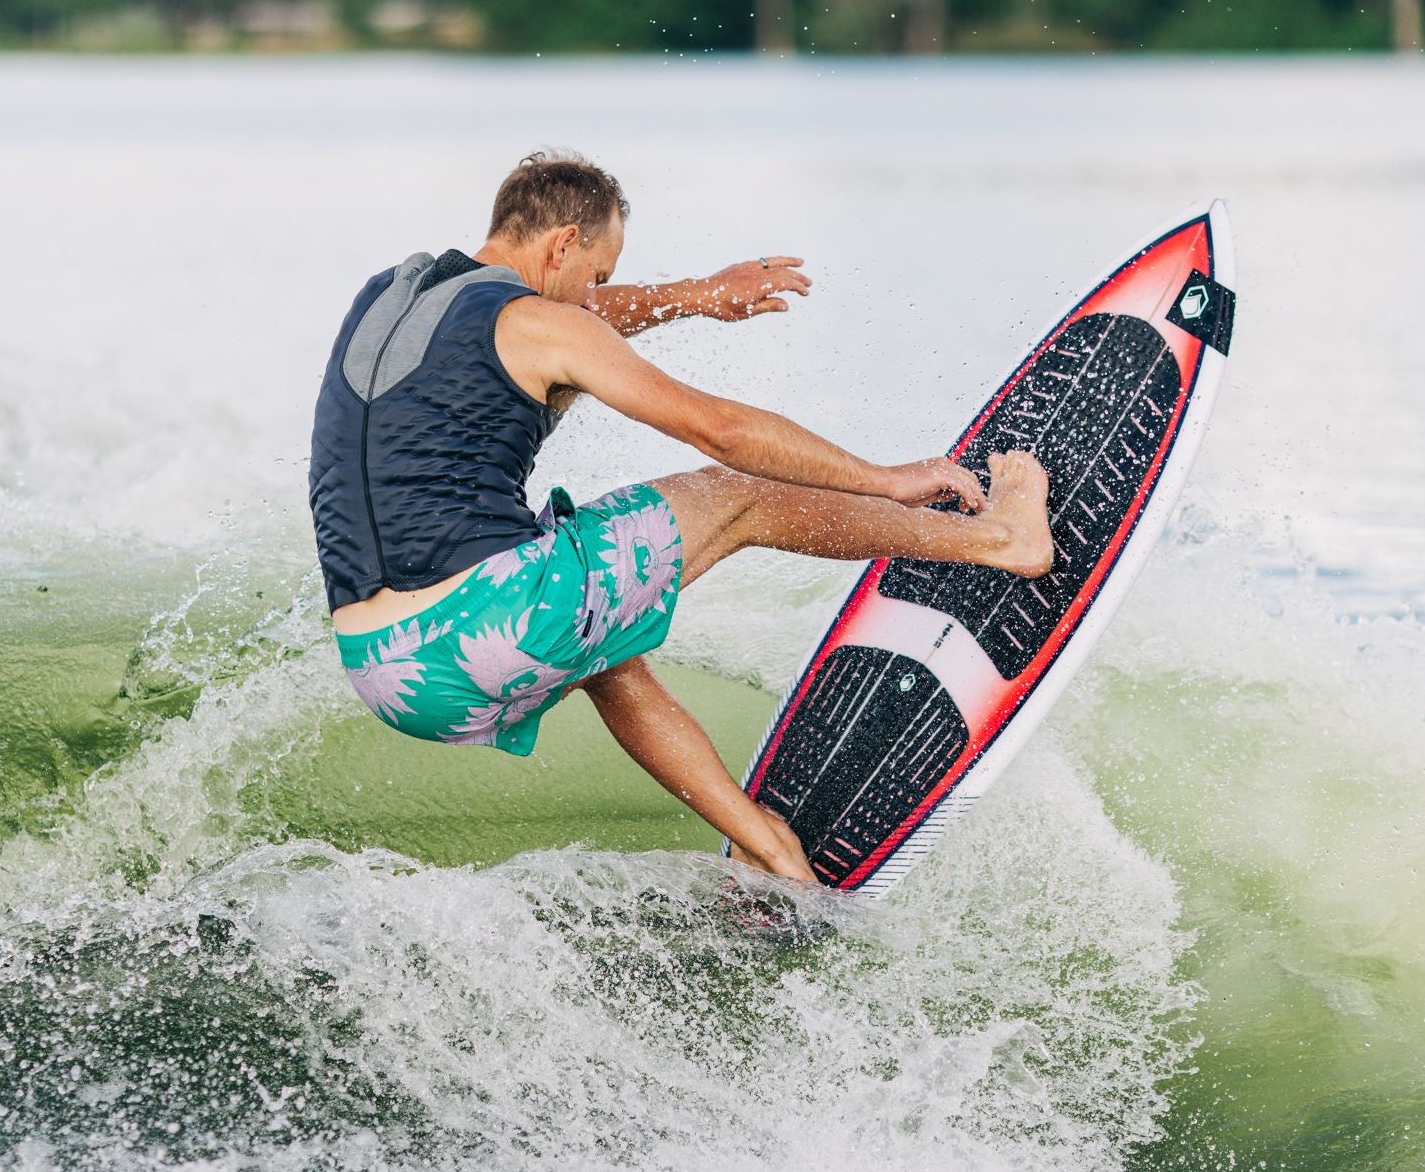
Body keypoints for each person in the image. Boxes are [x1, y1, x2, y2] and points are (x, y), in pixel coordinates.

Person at [309, 152, 1052, 884]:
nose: (596, 298)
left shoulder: (390, 297)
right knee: (736, 491)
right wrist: (883, 479)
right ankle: (1001, 538)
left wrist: (696, 295)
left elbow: (568, 328)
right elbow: (717, 427)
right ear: (563, 243)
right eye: (596, 276)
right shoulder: (536, 319)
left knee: (605, 640)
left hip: (386, 671)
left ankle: (769, 848)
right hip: (491, 621)